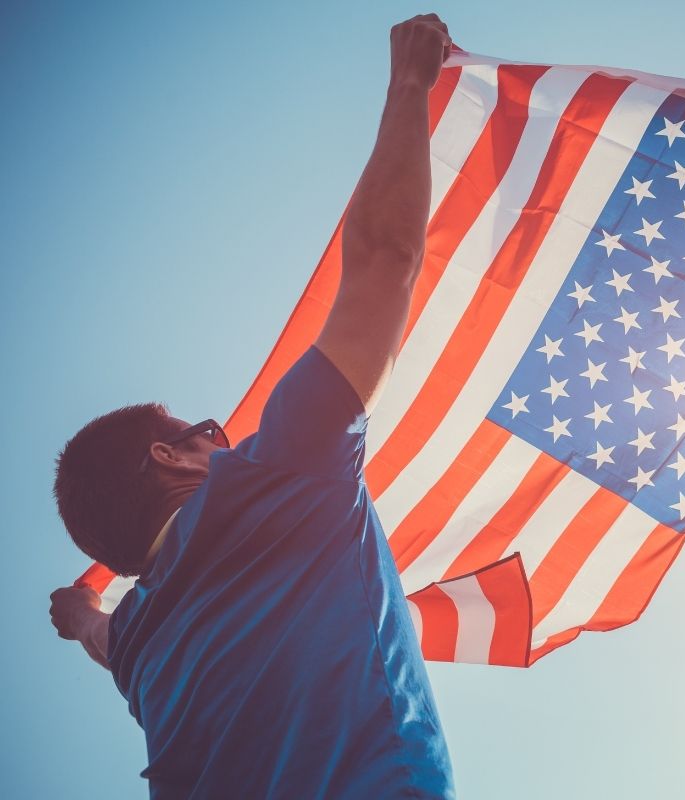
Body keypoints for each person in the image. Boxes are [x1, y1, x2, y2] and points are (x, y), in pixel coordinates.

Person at [47, 15, 455, 798]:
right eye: (202, 431)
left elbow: (98, 638)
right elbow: (384, 261)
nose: (226, 436)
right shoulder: (278, 471)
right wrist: (410, 83)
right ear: (166, 458)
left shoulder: (139, 651)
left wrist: (84, 613)